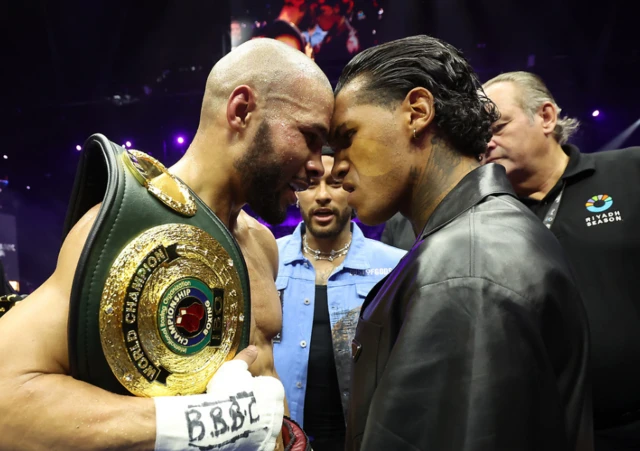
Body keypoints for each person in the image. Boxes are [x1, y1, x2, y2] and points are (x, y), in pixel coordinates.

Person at [0, 38, 334, 451]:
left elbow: (260, 392)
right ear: (242, 110)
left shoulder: (262, 243)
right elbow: (6, 400)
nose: (319, 164)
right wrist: (207, 423)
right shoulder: (122, 228)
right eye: (309, 137)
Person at [329, 35, 592, 450]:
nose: (336, 165)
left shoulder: (464, 266)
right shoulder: (479, 236)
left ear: (417, 112)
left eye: (347, 135)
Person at [482, 71, 640, 451]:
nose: (485, 142)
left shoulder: (630, 171)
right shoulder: (485, 215)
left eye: (498, 126)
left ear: (547, 117)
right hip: (538, 433)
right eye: (477, 134)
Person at [273, 147, 405, 450]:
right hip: (284, 440)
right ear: (295, 193)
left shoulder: (397, 266)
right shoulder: (266, 259)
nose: (322, 195)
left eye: (334, 183)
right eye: (310, 183)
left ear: (352, 189)